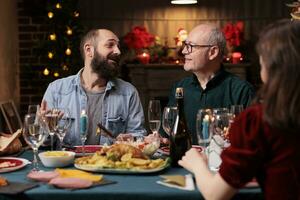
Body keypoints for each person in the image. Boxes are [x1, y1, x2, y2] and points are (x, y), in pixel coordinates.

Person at [179, 19, 300, 200]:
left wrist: (197, 164)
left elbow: (214, 195)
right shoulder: (181, 87)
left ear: (272, 65)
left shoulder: (259, 118)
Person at [42, 29, 146, 146]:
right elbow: (42, 144)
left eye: (118, 46)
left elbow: (139, 136)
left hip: (110, 163)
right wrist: (46, 129)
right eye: (110, 45)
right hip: (67, 164)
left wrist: (132, 139)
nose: (117, 51)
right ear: (89, 50)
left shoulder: (128, 92)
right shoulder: (56, 90)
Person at [167, 23, 255, 144]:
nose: (184, 51)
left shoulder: (241, 91)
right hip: (184, 161)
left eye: (190, 46)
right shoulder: (179, 88)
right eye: (185, 45)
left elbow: (251, 141)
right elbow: (166, 134)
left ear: (212, 52)